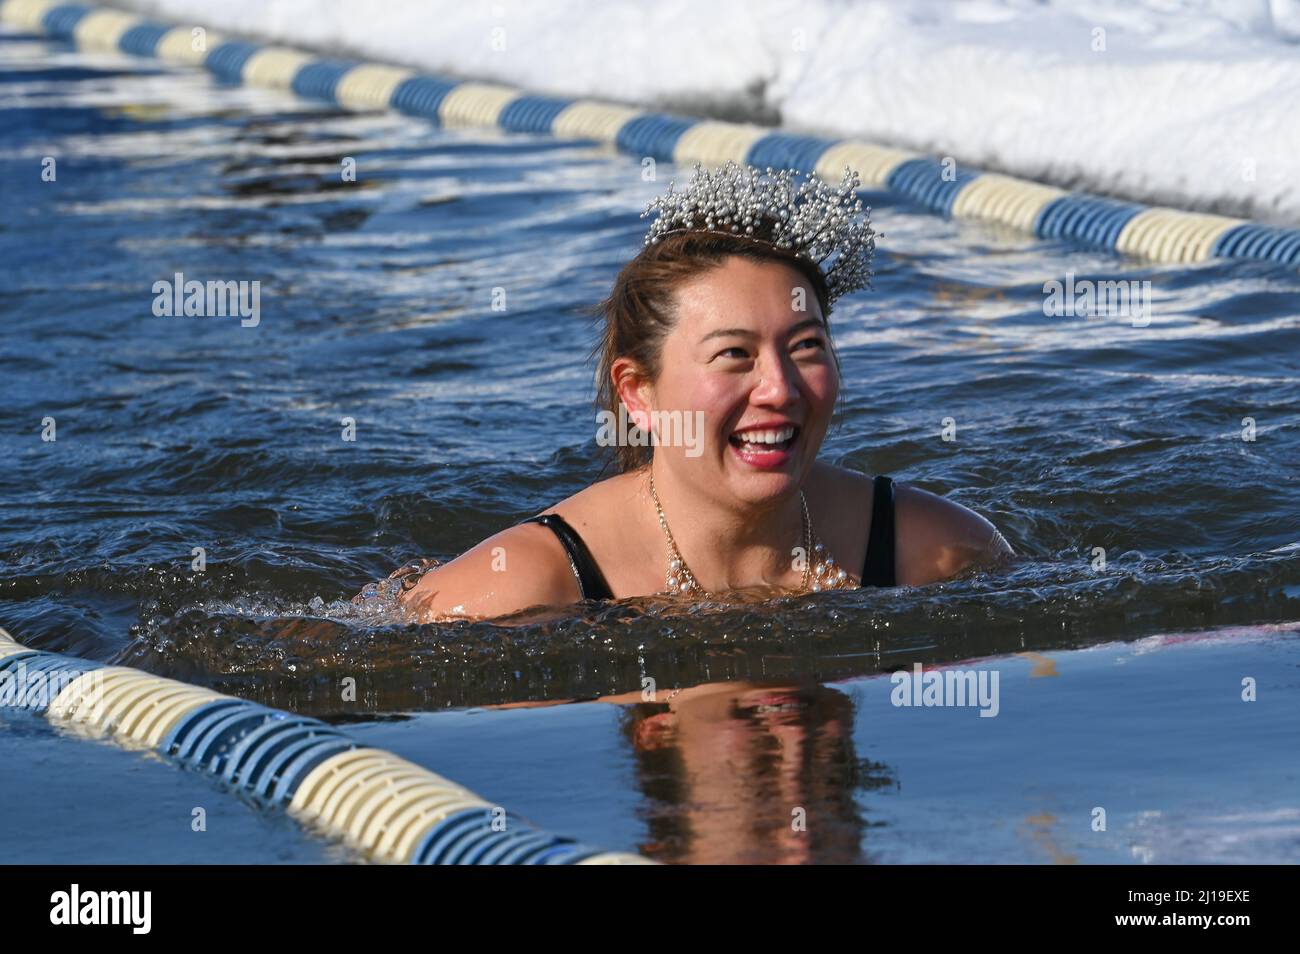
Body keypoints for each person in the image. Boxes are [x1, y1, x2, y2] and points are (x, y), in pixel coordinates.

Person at [394, 162, 1012, 621]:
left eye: (806, 347)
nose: (779, 388)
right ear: (639, 394)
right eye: (733, 355)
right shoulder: (522, 588)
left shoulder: (939, 552)